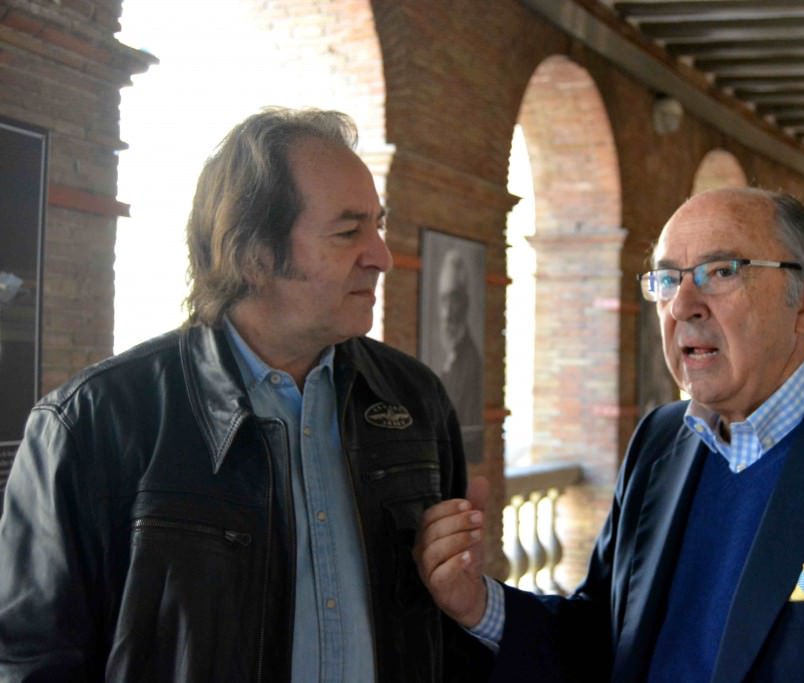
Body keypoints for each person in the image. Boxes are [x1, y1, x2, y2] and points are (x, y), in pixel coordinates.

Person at [415, 187, 804, 682]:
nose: (682, 304)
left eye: (720, 271)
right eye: (666, 280)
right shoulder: (659, 443)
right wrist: (479, 603)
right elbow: (598, 638)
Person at [0, 107, 488, 682]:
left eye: (378, 225)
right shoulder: (93, 421)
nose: (381, 255)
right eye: (349, 231)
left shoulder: (414, 400)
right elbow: (33, 662)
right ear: (254, 253)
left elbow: (448, 632)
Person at [437, 248, 484, 458]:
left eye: (453, 300)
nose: (447, 313)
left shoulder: (471, 361)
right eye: (443, 301)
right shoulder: (448, 356)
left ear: (464, 303)